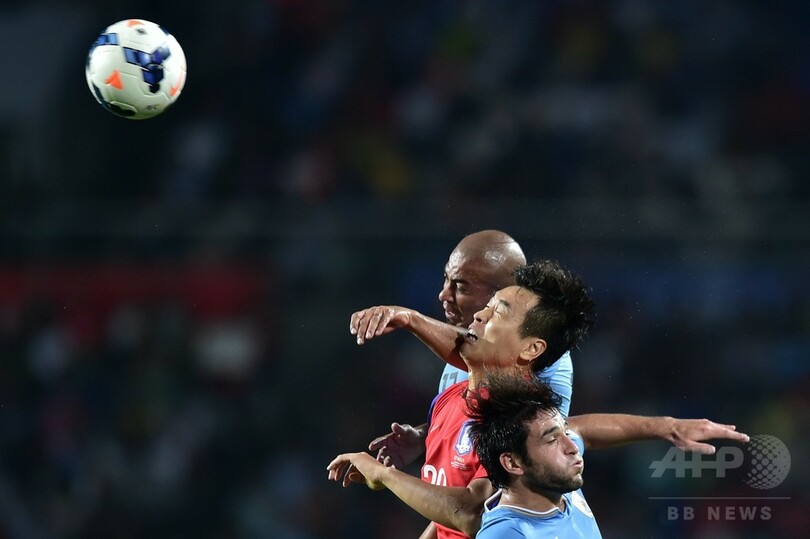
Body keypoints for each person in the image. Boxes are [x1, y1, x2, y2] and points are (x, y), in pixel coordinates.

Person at [329, 260, 748, 538]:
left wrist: (381, 474)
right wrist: (665, 427)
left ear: (531, 349)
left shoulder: (520, 419)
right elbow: (578, 430)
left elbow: (468, 512)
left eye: (496, 311)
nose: (477, 315)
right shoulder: (452, 397)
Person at [367, 230, 574, 476]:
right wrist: (426, 436)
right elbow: (473, 427)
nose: (444, 294)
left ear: (504, 294)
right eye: (446, 279)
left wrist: (410, 319)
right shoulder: (468, 350)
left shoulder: (538, 353)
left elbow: (479, 493)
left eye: (461, 287)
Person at [467, 373, 601, 538]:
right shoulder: (507, 533)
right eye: (552, 440)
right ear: (513, 463)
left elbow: (587, 431)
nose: (573, 447)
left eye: (566, 432)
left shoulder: (559, 485)